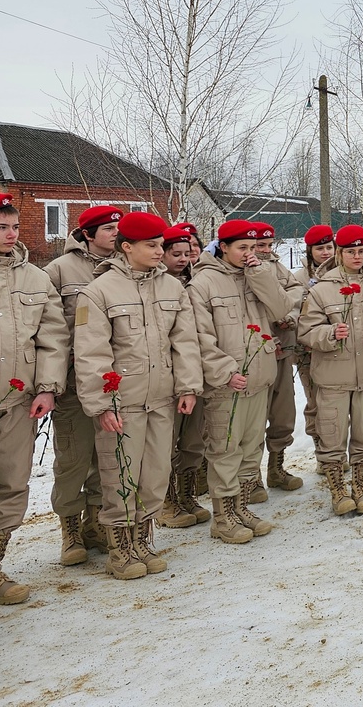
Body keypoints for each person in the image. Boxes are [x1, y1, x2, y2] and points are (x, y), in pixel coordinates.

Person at [75, 212, 202, 580]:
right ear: (126, 247)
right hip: (123, 404)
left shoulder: (172, 289)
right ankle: (120, 549)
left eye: (161, 244)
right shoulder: (98, 292)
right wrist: (101, 404)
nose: (159, 251)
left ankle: (143, 541)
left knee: (156, 474)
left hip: (162, 399)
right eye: (151, 245)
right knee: (119, 475)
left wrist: (188, 386)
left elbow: (185, 343)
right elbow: (90, 352)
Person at [187, 219, 291, 544]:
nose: (249, 254)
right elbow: (200, 338)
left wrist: (259, 273)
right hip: (226, 385)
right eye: (242, 248)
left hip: (259, 379)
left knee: (250, 449)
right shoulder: (203, 284)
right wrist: (224, 372)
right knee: (224, 450)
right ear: (224, 247)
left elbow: (282, 308)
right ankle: (223, 516)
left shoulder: (256, 275)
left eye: (253, 247)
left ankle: (242, 507)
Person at [298, 225, 363, 516]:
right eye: (350, 251)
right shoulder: (321, 289)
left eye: (361, 251)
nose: (357, 256)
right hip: (333, 378)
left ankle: (360, 487)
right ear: (340, 253)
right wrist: (330, 333)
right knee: (331, 435)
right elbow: (306, 331)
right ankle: (338, 490)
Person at [0, 193, 68, 603]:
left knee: (10, 484)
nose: (10, 235)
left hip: (16, 402)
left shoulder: (35, 279)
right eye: (1, 228)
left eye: (14, 227)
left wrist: (47, 388)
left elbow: (53, 339)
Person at [44, 204, 121, 565]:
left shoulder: (124, 265)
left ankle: (95, 524)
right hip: (74, 383)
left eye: (118, 228)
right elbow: (50, 330)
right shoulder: (59, 271)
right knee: (73, 458)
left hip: (111, 382)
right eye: (108, 229)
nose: (116, 234)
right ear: (88, 234)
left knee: (104, 458)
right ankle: (70, 528)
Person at [155, 225, 211, 529]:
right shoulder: (157, 286)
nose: (184, 257)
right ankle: (165, 500)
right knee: (165, 442)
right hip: (166, 376)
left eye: (189, 250)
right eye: (175, 252)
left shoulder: (199, 281)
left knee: (192, 439)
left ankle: (188, 493)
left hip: (197, 371)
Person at [250, 222, 305, 497]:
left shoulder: (279, 267)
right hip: (256, 354)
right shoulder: (243, 270)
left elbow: (295, 295)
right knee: (255, 417)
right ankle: (250, 477)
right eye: (260, 245)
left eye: (269, 245)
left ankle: (276, 467)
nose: (266, 250)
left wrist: (291, 317)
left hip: (283, 347)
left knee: (283, 413)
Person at [294, 224, 335, 450]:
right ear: (310, 251)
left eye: (329, 247)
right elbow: (296, 312)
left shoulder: (344, 272)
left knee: (336, 403)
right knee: (315, 401)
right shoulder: (300, 278)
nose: (326, 253)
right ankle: (321, 448)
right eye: (320, 249)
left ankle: (337, 449)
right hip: (310, 350)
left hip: (340, 348)